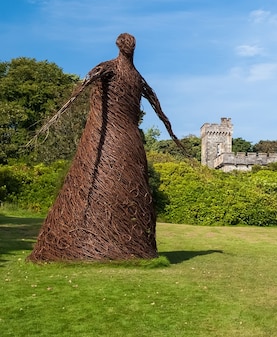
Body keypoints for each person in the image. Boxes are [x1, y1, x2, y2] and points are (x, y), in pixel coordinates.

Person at [28, 33, 183, 262]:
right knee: (96, 183)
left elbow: (159, 110)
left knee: (116, 186)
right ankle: (108, 247)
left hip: (119, 140)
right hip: (110, 137)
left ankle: (121, 248)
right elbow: (159, 111)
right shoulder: (124, 73)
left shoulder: (124, 73)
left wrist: (174, 136)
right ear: (124, 47)